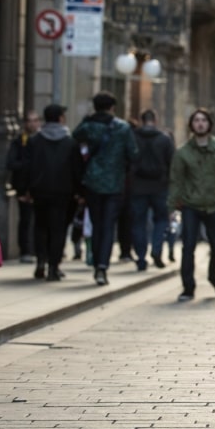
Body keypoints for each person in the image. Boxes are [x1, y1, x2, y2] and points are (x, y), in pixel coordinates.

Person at [167, 108, 215, 302]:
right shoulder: (183, 152)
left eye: (204, 120)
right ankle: (188, 287)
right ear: (191, 125)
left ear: (209, 124)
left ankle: (214, 277)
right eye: (196, 120)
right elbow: (176, 181)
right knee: (188, 246)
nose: (200, 124)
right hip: (191, 205)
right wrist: (171, 207)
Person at [72, 91, 137, 286]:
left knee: (97, 223)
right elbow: (133, 154)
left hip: (92, 182)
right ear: (112, 107)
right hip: (114, 184)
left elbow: (75, 136)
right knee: (108, 225)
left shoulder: (89, 126)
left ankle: (96, 262)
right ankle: (102, 266)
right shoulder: (123, 128)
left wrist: (86, 119)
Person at [25, 104, 83, 282]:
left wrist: (25, 189)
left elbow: (27, 167)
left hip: (40, 191)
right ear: (60, 119)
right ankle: (53, 266)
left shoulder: (35, 140)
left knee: (40, 226)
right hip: (62, 192)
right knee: (58, 229)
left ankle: (41, 262)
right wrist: (79, 191)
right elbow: (77, 170)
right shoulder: (70, 142)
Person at [129, 109, 175, 271]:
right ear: (155, 120)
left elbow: (127, 160)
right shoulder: (164, 139)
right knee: (161, 220)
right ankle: (156, 249)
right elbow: (172, 164)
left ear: (142, 121)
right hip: (160, 186)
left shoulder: (133, 137)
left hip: (138, 187)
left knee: (138, 222)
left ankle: (141, 257)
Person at [6, 110, 41, 268]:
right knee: (25, 220)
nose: (32, 124)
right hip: (23, 188)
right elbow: (11, 163)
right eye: (29, 120)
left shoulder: (42, 140)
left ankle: (37, 250)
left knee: (39, 221)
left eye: (35, 120)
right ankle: (26, 250)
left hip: (40, 188)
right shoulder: (19, 141)